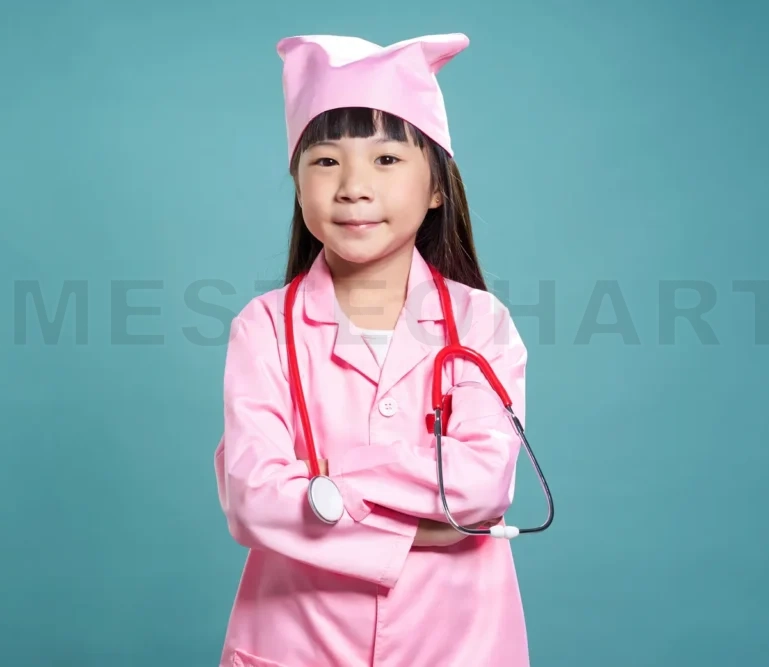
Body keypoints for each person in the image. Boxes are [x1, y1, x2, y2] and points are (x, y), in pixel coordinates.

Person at [213, 32, 531, 667]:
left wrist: (329, 482)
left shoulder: (480, 323)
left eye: (387, 159)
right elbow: (252, 501)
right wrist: (416, 530)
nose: (354, 186)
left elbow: (480, 485)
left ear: (437, 188)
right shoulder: (264, 327)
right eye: (325, 161)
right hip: (296, 639)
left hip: (457, 640)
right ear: (298, 185)